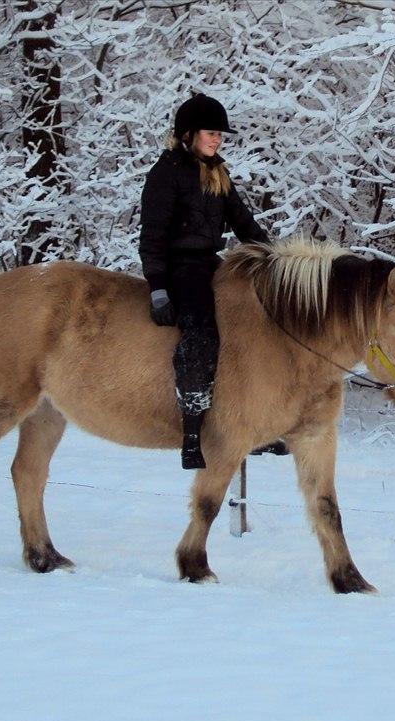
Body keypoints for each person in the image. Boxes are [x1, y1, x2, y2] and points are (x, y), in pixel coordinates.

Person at [139, 92, 270, 470]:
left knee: (251, 325)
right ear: (189, 134)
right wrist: (158, 288)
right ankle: (192, 433)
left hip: (213, 265)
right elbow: (152, 235)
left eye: (220, 135)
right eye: (211, 133)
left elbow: (244, 222)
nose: (217, 140)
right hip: (181, 269)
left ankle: (253, 425)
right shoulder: (167, 173)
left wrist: (273, 260)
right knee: (200, 334)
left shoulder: (217, 173)